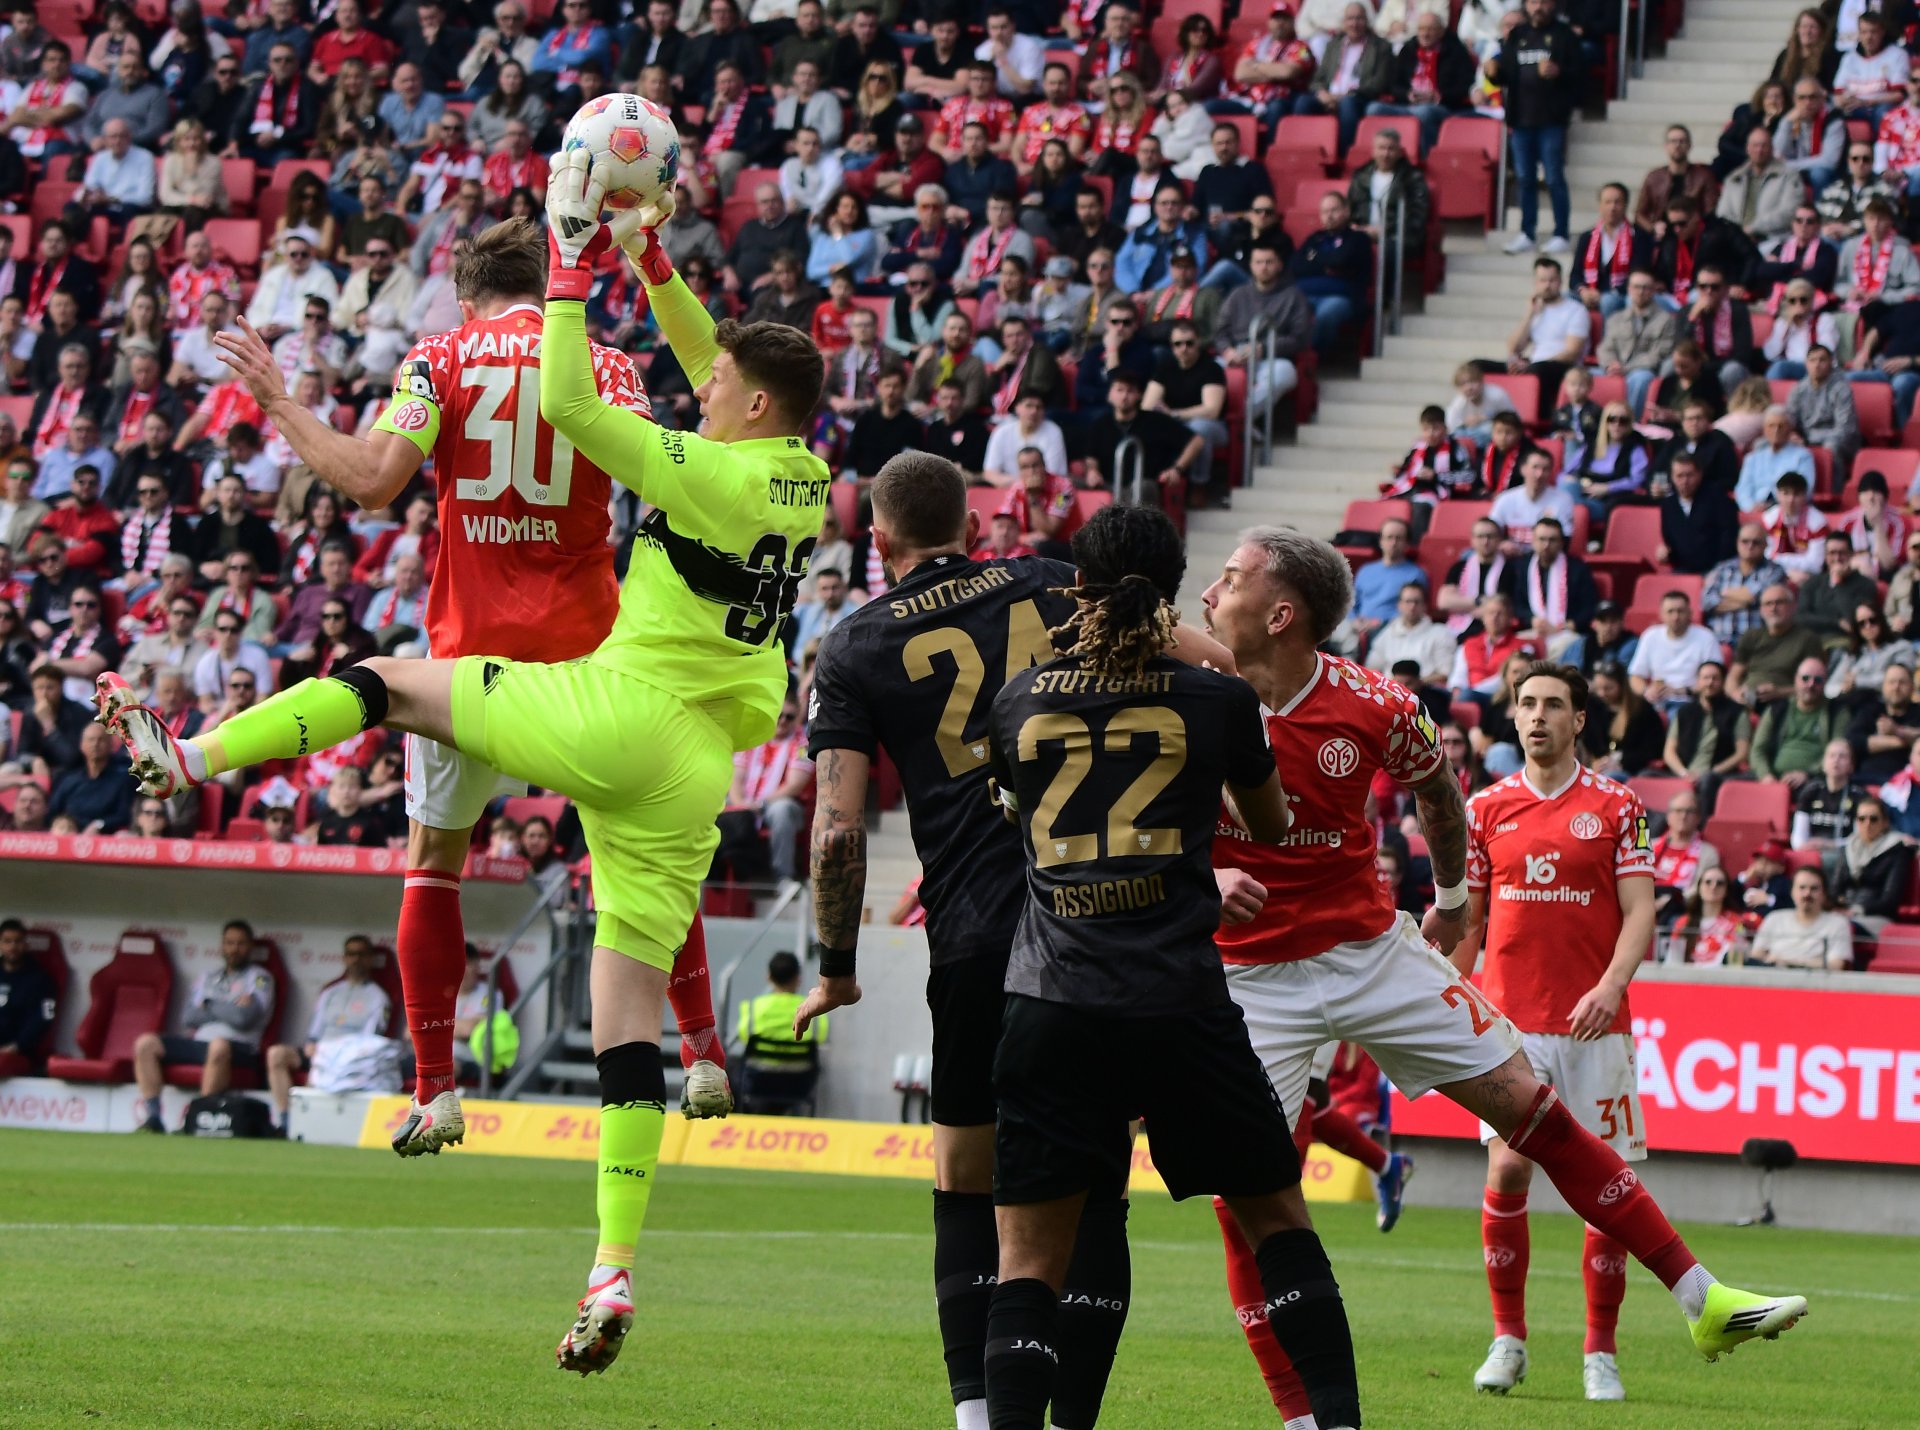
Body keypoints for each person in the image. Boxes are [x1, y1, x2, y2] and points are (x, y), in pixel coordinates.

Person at [109, 162, 826, 1370]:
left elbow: (574, 413)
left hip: (591, 700)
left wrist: (571, 265)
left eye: (718, 390)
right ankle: (612, 1267)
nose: (701, 389)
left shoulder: (678, 451)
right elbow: (709, 365)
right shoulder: (801, 472)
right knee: (623, 1038)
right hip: (695, 758)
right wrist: (653, 261)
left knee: (384, 685)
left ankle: (188, 756)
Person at [1199, 538, 1807, 1417]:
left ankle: (1701, 1300)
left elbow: (1437, 790)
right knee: (1245, 1195)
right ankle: (1302, 1415)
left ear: (1282, 613)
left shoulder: (1373, 702)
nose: (1211, 591)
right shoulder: (1187, 685)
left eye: (1230, 578)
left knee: (1531, 1107)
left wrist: (1449, 897)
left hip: (1372, 953)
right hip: (1252, 978)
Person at [797, 458, 1226, 1430]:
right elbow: (1209, 665)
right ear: (975, 523)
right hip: (1102, 923)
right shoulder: (1045, 579)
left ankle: (979, 1416)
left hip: (978, 936)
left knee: (964, 1178)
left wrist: (836, 965)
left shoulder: (856, 639)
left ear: (878, 543)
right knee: (1094, 1179)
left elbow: (835, 829)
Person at [947, 503, 1361, 1430]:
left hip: (1051, 1000)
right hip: (1179, 1003)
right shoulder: (1218, 701)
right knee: (1278, 1225)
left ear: (1075, 590)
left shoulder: (1017, 701)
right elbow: (1269, 826)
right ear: (1174, 594)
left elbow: (1021, 813)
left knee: (1029, 1262)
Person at [128, 919, 274, 1132]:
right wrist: (229, 1007)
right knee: (146, 1043)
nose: (235, 949)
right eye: (229, 943)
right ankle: (153, 1118)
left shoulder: (260, 978)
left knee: (218, 1046)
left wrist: (208, 1004)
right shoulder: (208, 978)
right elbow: (188, 1018)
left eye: (241, 943)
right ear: (222, 946)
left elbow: (243, 1019)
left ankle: (199, 1117)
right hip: (199, 1043)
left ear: (251, 946)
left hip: (239, 1047)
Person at [263, 933, 393, 1132]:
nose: (355, 959)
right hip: (320, 1049)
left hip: (349, 1057)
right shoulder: (330, 992)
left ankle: (309, 1124)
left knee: (321, 1065)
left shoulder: (378, 997)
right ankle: (287, 1118)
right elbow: (315, 1031)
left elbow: (369, 1041)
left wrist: (328, 1053)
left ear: (370, 959)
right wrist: (312, 1045)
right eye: (350, 954)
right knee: (276, 1054)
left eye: (361, 954)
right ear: (344, 958)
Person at [1493, 0, 1578, 255]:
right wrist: (1492, 73)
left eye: (1543, 2)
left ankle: (1561, 232)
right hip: (1521, 120)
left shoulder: (1564, 36)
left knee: (1553, 178)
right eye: (1533, 2)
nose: (1538, 7)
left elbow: (1579, 73)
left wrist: (1558, 72)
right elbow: (1505, 73)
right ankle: (1527, 233)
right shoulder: (1517, 35)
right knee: (1524, 179)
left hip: (1551, 120)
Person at [731, 948, 825, 1114]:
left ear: (769, 977)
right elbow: (821, 1037)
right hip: (799, 1085)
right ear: (798, 978)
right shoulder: (814, 1010)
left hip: (759, 1082)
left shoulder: (753, 1008)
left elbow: (745, 1036)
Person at [1663, 660, 1749, 809]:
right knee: (1644, 775)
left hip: (1718, 774)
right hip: (1684, 773)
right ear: (1697, 682)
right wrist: (1684, 773)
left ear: (1723, 682)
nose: (1710, 683)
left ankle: (1700, 828)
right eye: (1705, 678)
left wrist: (1712, 771)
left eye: (1715, 678)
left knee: (1708, 780)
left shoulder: (1737, 712)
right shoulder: (1684, 712)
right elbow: (1669, 751)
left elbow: (1742, 753)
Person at [1753, 656, 1846, 787]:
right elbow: (1758, 750)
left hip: (1814, 780)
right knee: (1726, 784)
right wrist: (1766, 776)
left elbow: (1839, 753)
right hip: (1772, 778)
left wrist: (1807, 774)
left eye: (1818, 680)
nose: (1811, 684)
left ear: (1825, 682)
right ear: (1796, 680)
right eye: (1805, 678)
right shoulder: (1776, 710)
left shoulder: (1836, 712)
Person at [1599, 270, 1681, 417]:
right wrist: (1610, 364)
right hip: (1615, 368)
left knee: (1641, 379)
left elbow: (1659, 354)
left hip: (1642, 370)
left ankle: (1631, 425)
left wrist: (1626, 368)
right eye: (1636, 287)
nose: (1641, 292)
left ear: (1654, 290)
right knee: (1582, 375)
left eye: (1646, 287)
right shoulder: (1616, 318)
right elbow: (1605, 348)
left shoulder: (1666, 320)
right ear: (1629, 289)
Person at [1628, 592, 1724, 709]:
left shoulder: (1706, 637)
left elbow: (1715, 680)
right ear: (1661, 614)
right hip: (1656, 703)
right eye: (1670, 611)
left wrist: (1680, 691)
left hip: (1691, 702)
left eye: (1680, 611)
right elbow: (1635, 676)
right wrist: (1646, 691)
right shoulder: (1650, 635)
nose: (1675, 617)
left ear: (1690, 613)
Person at [1748, 865, 1852, 968]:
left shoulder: (1837, 923)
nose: (1807, 894)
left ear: (1824, 894)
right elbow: (1756, 956)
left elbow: (1836, 966)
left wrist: (1786, 962)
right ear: (1792, 892)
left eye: (1814, 889)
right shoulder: (1774, 919)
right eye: (1802, 888)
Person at [1658, 453, 1739, 576]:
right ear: (1672, 477)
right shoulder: (1668, 504)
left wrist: (1718, 568)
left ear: (1699, 474)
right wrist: (1666, 552)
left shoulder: (1717, 497)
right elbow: (1668, 539)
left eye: (1689, 475)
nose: (1685, 481)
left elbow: (1729, 535)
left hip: (1716, 569)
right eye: (1680, 476)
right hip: (1682, 569)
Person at [0, 917, 54, 1066]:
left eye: (17, 941)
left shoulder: (40, 979)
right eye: (7, 941)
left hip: (20, 1050)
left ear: (25, 944)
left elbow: (45, 1017)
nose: (12, 947)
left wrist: (18, 1046)